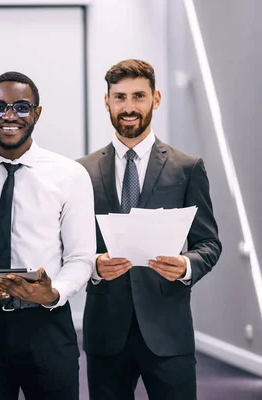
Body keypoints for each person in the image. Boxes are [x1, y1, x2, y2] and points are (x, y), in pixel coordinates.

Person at [78, 59, 222, 400]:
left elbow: (208, 242)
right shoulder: (80, 172)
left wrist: (186, 265)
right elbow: (70, 246)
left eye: (139, 96)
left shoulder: (187, 168)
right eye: (120, 97)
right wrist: (95, 267)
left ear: (156, 99)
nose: (129, 107)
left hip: (168, 329)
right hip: (105, 330)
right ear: (107, 101)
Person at [0, 71, 96, 400]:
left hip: (45, 323)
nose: (10, 116)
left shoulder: (70, 175)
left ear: (37, 113)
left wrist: (52, 293)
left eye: (21, 107)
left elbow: (81, 256)